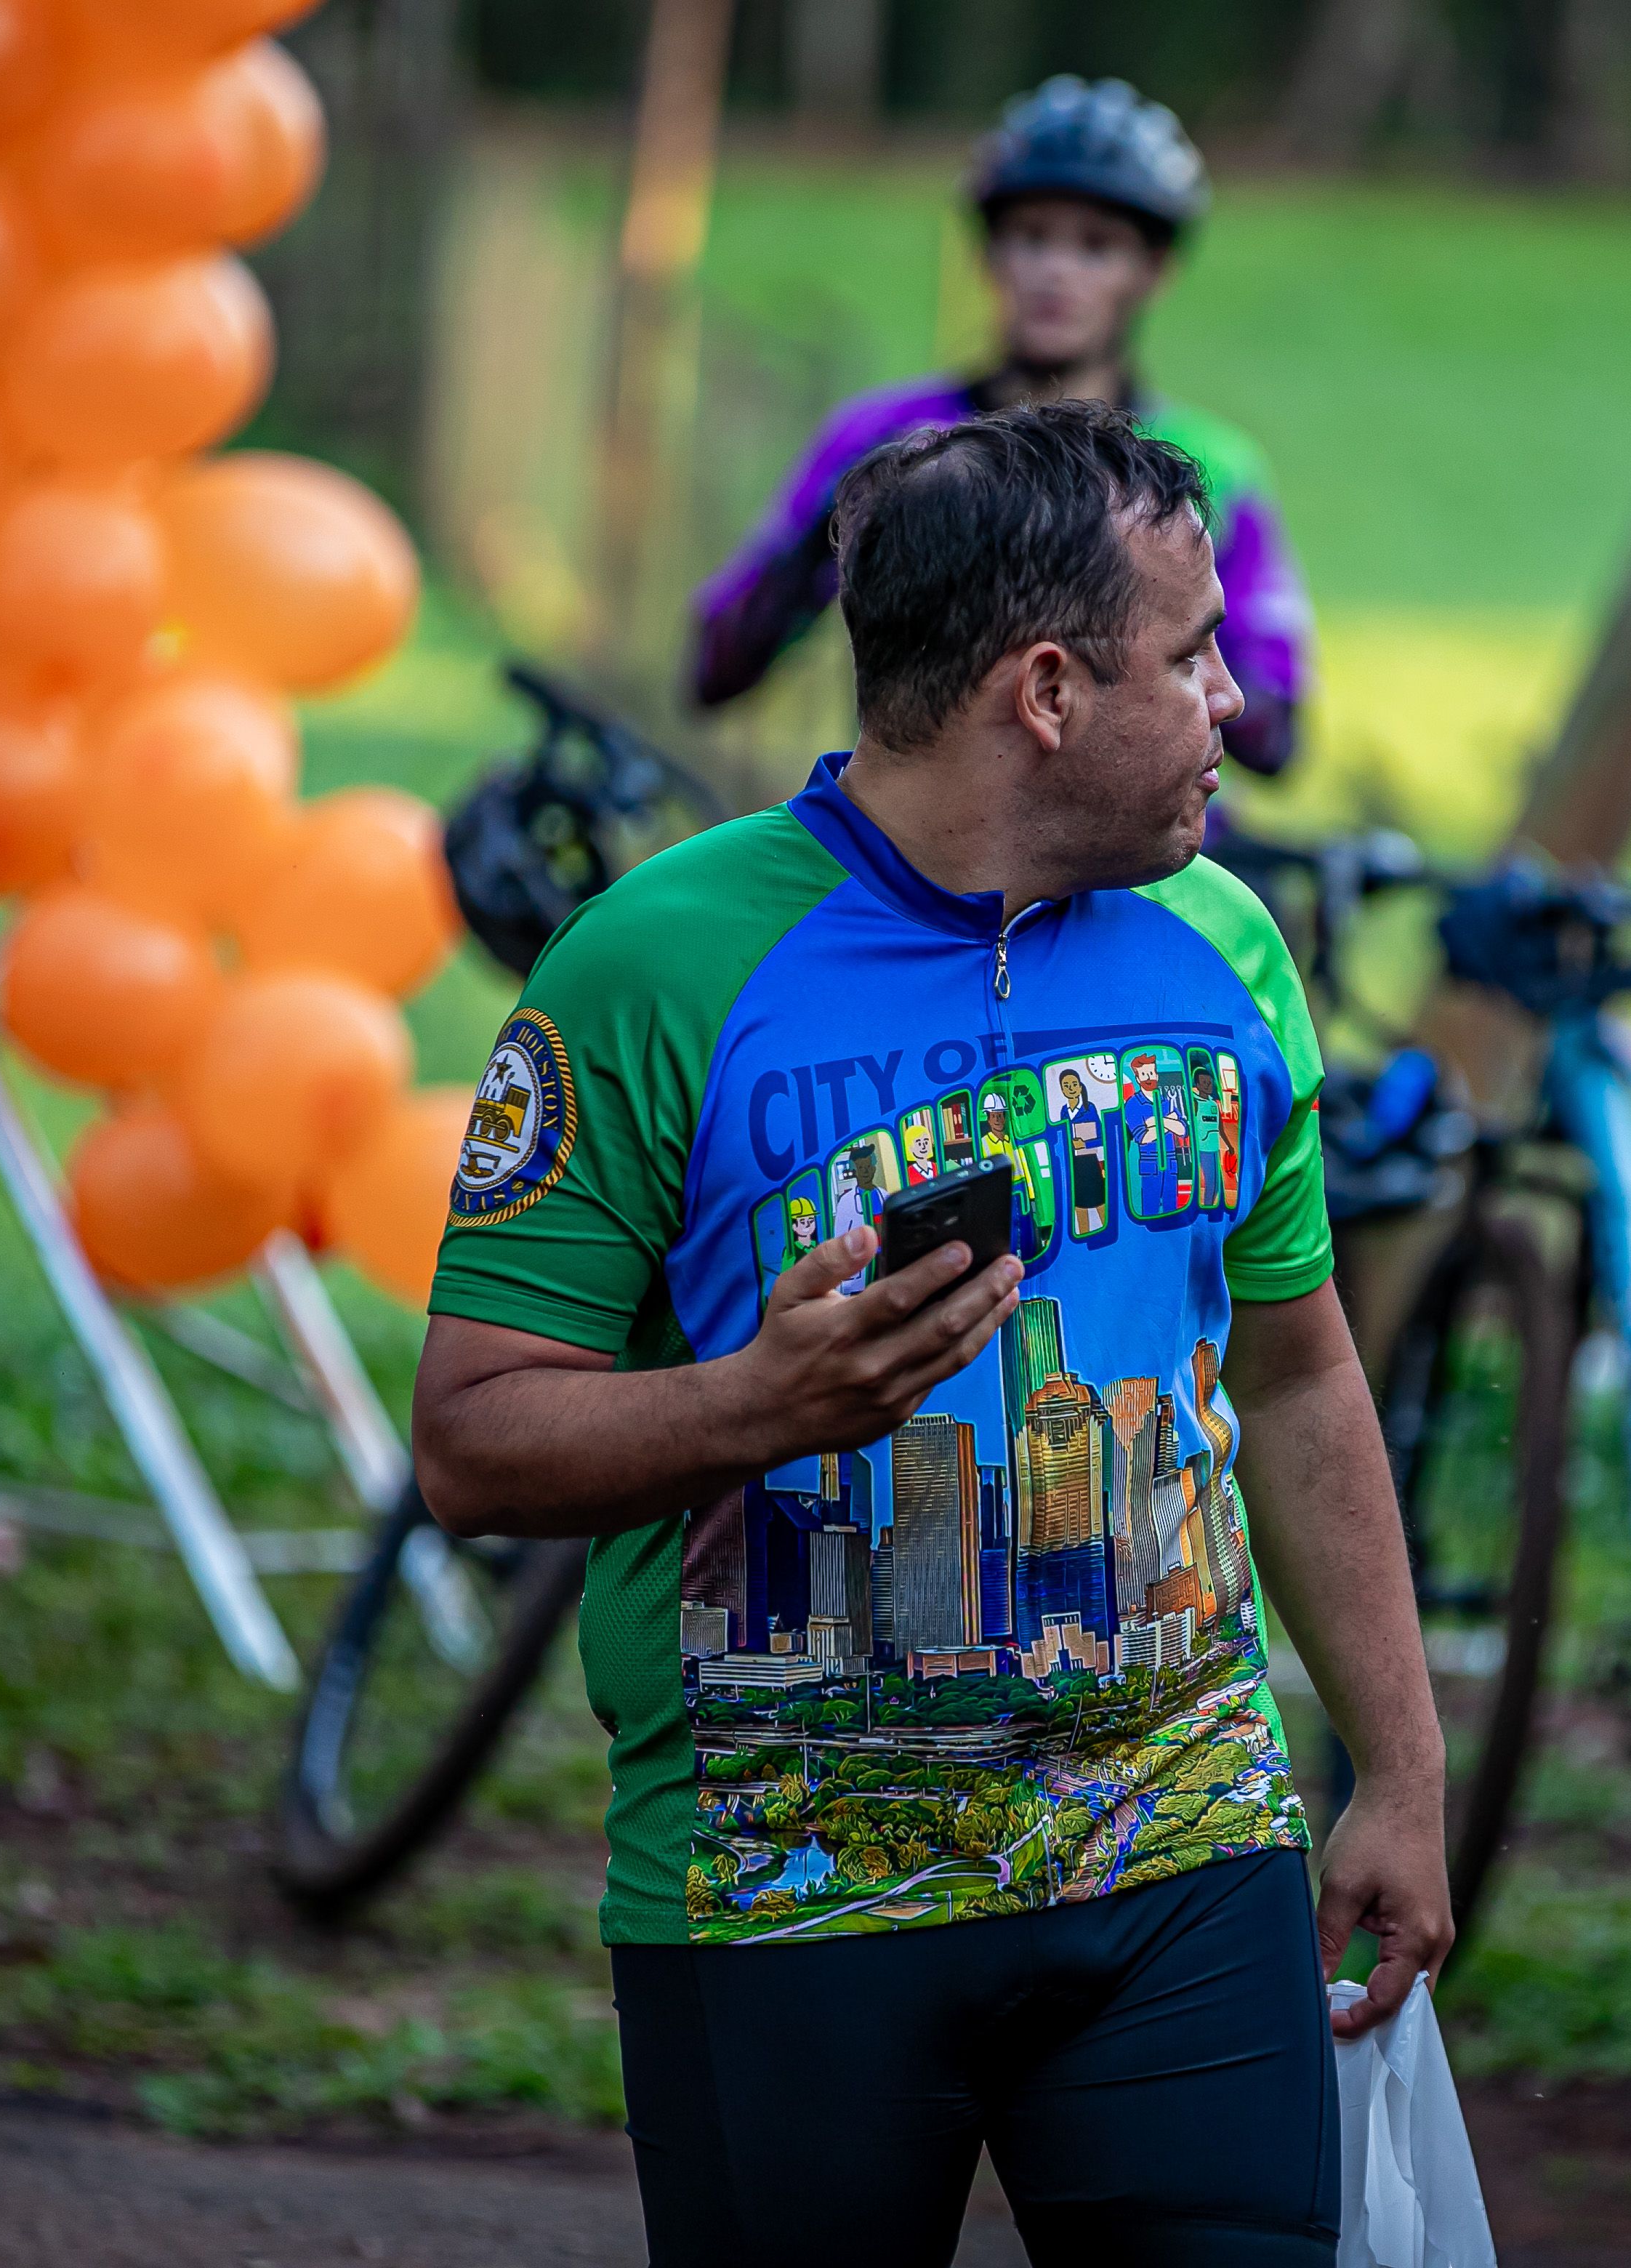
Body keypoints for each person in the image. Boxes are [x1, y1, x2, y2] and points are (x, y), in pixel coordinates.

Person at [415, 401, 1450, 2261]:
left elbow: (1298, 1370)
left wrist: (1399, 1763)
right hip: (780, 1886)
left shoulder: (1225, 947)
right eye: (1191, 657)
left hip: (1180, 1849)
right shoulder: (653, 967)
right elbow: (472, 1437)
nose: (1231, 702)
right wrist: (752, 1402)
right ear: (1044, 691)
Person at [691, 74, 1316, 781]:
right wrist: (837, 529)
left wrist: (1158, 627)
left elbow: (1277, 742)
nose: (1055, 272)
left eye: (1096, 246)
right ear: (990, 252)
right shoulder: (883, 436)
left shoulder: (1210, 465)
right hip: (920, 830)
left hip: (1148, 838)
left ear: (1154, 269)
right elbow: (715, 672)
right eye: (1031, 237)